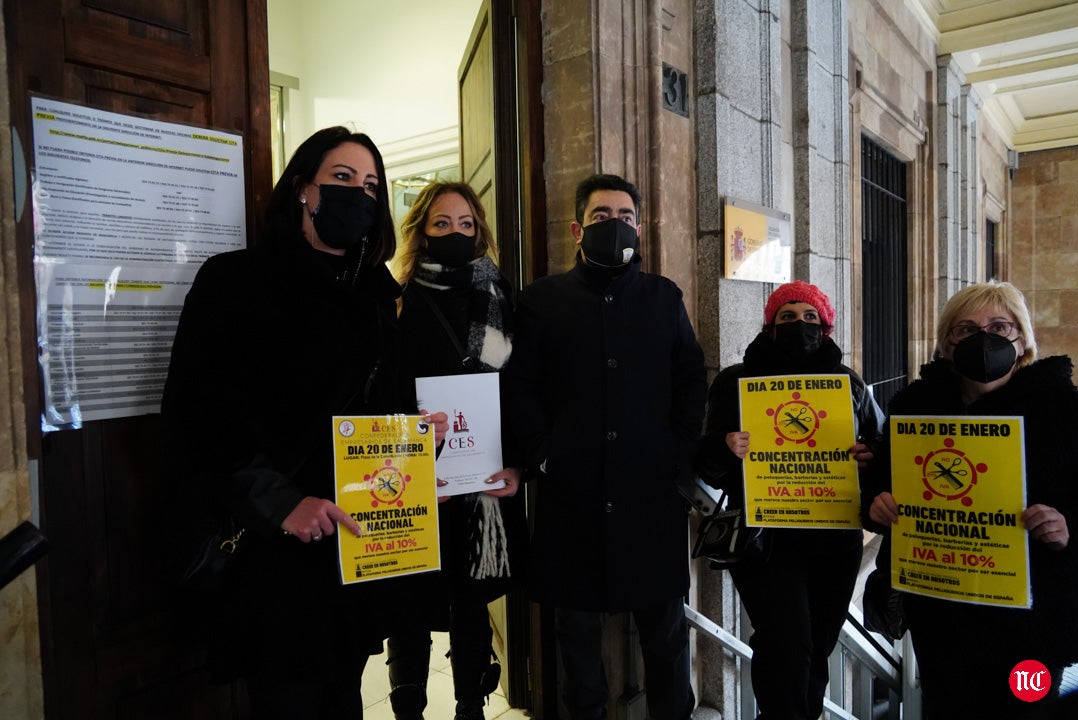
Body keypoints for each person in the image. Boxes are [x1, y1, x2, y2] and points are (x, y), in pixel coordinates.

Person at [162, 126, 448, 719]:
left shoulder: (377, 297)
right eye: (342, 179)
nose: (359, 196)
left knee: (345, 693)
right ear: (303, 190)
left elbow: (379, 411)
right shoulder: (235, 280)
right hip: (277, 548)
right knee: (288, 696)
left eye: (371, 186)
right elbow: (198, 410)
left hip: (356, 543)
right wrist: (279, 501)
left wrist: (418, 439)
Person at [509, 173, 706, 720]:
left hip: (650, 493)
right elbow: (519, 386)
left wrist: (678, 449)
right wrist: (542, 452)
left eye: (624, 216)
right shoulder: (542, 301)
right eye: (601, 216)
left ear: (639, 229)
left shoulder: (664, 298)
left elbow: (691, 377)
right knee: (576, 639)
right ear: (578, 228)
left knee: (665, 637)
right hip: (571, 496)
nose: (613, 224)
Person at [863, 281, 1078, 720]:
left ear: (1022, 341)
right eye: (965, 330)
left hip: (1031, 625)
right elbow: (882, 485)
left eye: (999, 326)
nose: (983, 339)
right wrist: (875, 502)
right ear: (946, 344)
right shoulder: (913, 407)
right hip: (942, 617)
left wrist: (1067, 527)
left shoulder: (1065, 412)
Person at [694, 280, 884, 720]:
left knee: (817, 644)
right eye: (787, 317)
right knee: (787, 639)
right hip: (765, 539)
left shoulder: (848, 384)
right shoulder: (736, 382)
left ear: (826, 327)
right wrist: (725, 446)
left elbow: (882, 448)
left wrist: (868, 457)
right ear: (769, 325)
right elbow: (707, 465)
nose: (800, 324)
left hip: (834, 539)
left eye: (810, 317)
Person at [384, 181, 526, 720]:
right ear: (421, 231)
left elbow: (517, 389)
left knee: (471, 603)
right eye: (441, 224)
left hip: (481, 477)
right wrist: (408, 429)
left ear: (480, 230)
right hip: (412, 477)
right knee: (409, 604)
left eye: (466, 224)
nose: (455, 233)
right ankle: (409, 708)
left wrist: (517, 464)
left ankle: (471, 705)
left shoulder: (499, 296)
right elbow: (380, 388)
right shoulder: (395, 299)